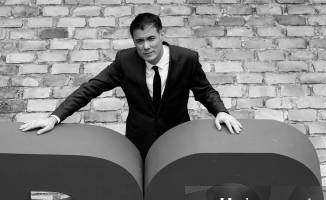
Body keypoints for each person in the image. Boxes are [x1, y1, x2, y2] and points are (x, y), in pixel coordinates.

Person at [20, 13, 242, 158]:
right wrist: (53, 117)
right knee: (141, 191)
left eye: (151, 39)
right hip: (139, 139)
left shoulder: (187, 59)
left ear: (161, 35)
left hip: (177, 136)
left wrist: (221, 111)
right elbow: (90, 89)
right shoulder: (124, 61)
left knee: (172, 189)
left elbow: (205, 91)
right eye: (139, 41)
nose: (146, 46)